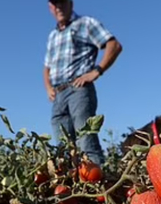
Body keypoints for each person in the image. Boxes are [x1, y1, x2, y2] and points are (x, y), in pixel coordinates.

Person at [43, 0, 122, 166]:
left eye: (62, 2)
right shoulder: (52, 36)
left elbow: (113, 45)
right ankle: (72, 189)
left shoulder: (85, 23)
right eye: (54, 4)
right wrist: (48, 87)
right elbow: (47, 67)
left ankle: (99, 187)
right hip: (58, 95)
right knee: (63, 151)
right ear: (50, 7)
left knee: (86, 143)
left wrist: (97, 71)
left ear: (70, 3)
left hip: (78, 90)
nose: (59, 7)